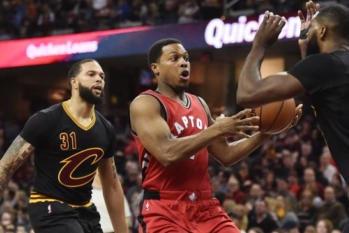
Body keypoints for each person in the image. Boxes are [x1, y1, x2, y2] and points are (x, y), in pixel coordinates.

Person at [236, 1, 349, 233]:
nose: (307, 32)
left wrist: (259, 45)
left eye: (312, 29)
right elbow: (315, 83)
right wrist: (307, 45)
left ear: (322, 32)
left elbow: (247, 94)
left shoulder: (327, 66)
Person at [128, 38, 302, 232]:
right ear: (156, 68)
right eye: (174, 58)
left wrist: (268, 131)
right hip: (164, 208)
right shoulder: (145, 103)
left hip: (205, 207)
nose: (183, 62)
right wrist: (216, 130)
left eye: (186, 58)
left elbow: (226, 155)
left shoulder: (199, 104)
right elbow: (167, 153)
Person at [0, 59, 128, 233]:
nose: (99, 79)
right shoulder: (46, 119)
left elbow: (111, 185)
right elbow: (6, 165)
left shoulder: (106, 128)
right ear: (74, 82)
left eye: (102, 76)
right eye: (91, 74)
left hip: (84, 210)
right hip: (48, 206)